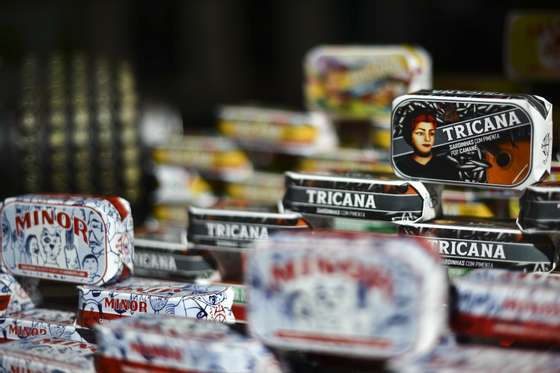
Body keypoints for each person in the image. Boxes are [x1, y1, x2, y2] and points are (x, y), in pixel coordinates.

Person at [395, 112, 459, 180]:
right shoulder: (400, 167)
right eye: (420, 133)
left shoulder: (449, 168)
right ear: (410, 135)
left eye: (431, 133)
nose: (427, 139)